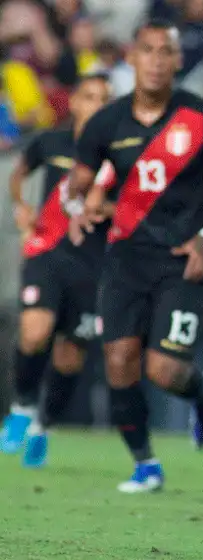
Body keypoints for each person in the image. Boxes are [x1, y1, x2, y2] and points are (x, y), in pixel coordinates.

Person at [63, 19, 203, 493]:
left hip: (183, 259)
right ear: (131, 58)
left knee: (165, 371)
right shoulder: (106, 123)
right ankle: (145, 464)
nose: (155, 60)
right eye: (146, 50)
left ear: (177, 59)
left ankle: (202, 392)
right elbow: (77, 187)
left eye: (164, 51)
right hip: (125, 259)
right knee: (119, 361)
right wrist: (77, 210)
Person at [0, 73, 115, 468]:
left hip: (92, 264)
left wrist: (106, 208)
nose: (96, 105)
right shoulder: (52, 142)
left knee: (69, 356)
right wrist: (21, 206)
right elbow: (19, 173)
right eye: (89, 97)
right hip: (46, 252)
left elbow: (134, 206)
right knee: (34, 332)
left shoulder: (121, 158)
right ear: (76, 102)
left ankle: (43, 426)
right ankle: (21, 407)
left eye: (104, 99)